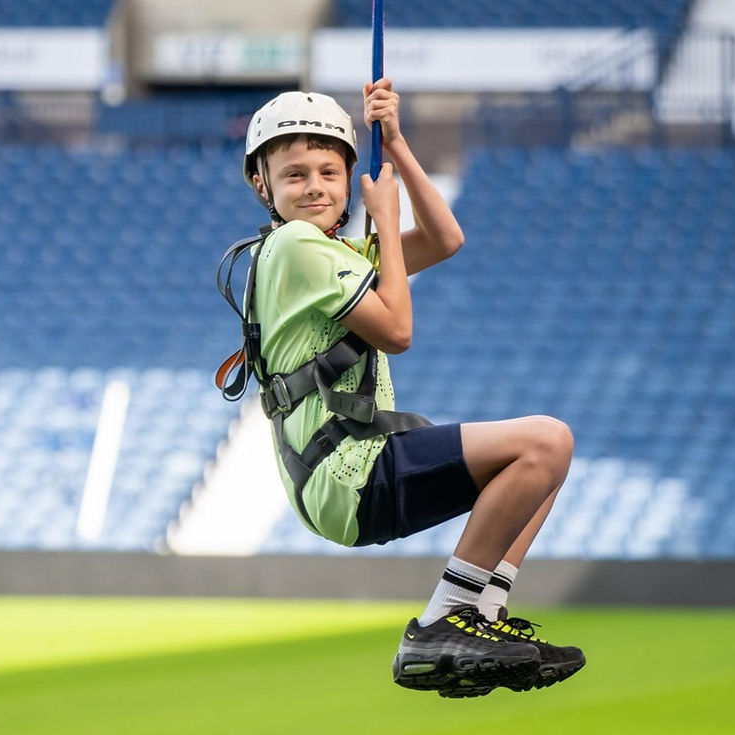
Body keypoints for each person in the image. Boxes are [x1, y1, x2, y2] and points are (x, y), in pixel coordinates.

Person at [218, 78, 585, 697]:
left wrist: (398, 142)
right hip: (345, 470)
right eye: (295, 174)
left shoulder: (329, 253)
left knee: (544, 462)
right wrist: (386, 219)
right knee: (544, 444)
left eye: (329, 173)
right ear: (263, 185)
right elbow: (397, 331)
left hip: (343, 479)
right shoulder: (297, 246)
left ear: (347, 178)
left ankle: (478, 621)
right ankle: (447, 620)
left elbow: (445, 239)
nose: (315, 187)